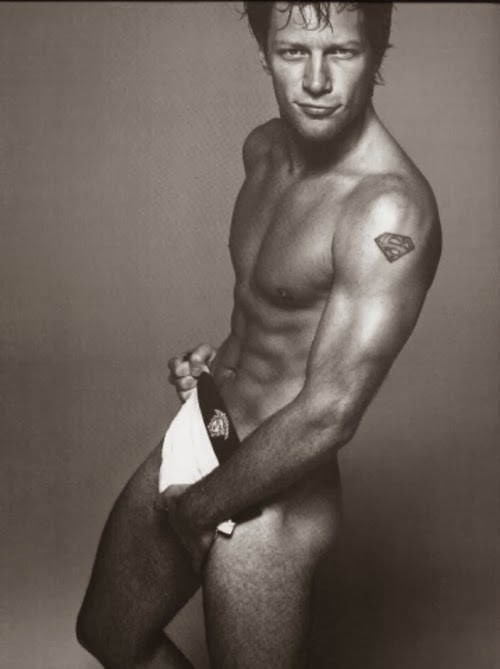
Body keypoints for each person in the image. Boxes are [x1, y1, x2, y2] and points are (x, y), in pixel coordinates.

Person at [76, 2, 441, 667]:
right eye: (294, 51)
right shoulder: (264, 150)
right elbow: (272, 311)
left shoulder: (387, 211)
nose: (316, 81)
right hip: (211, 424)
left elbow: (329, 413)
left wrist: (198, 510)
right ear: (265, 51)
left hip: (277, 492)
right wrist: (215, 366)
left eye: (342, 52)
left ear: (376, 54)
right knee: (108, 632)